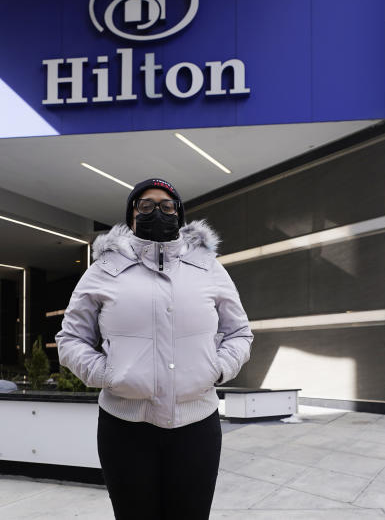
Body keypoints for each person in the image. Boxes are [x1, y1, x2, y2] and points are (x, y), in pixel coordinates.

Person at [57, 178, 253, 520]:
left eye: (166, 206)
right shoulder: (103, 270)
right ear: (132, 215)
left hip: (197, 426)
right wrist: (107, 374)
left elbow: (239, 332)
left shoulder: (209, 268)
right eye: (145, 205)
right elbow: (70, 338)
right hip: (125, 428)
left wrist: (216, 369)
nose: (157, 212)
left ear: (179, 214)